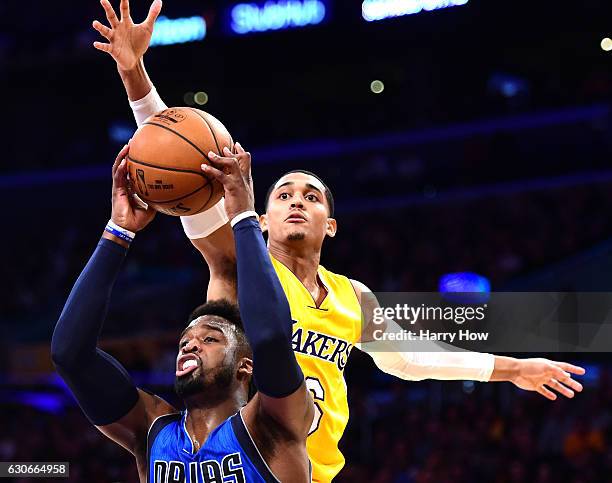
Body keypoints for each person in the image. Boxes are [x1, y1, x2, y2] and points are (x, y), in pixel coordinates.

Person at [91, 2, 586, 481]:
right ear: (261, 219)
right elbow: (178, 159)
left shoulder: (352, 297)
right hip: (239, 466)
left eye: (312, 196)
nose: (298, 202)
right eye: (284, 194)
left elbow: (411, 359)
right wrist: (136, 77)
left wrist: (512, 368)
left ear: (331, 224)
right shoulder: (239, 265)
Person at [51, 144, 314, 482]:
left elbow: (272, 337)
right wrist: (119, 231)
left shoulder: (272, 424)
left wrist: (244, 216)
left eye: (209, 338)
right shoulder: (153, 430)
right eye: (186, 340)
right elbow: (70, 353)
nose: (190, 345)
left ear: (244, 366)